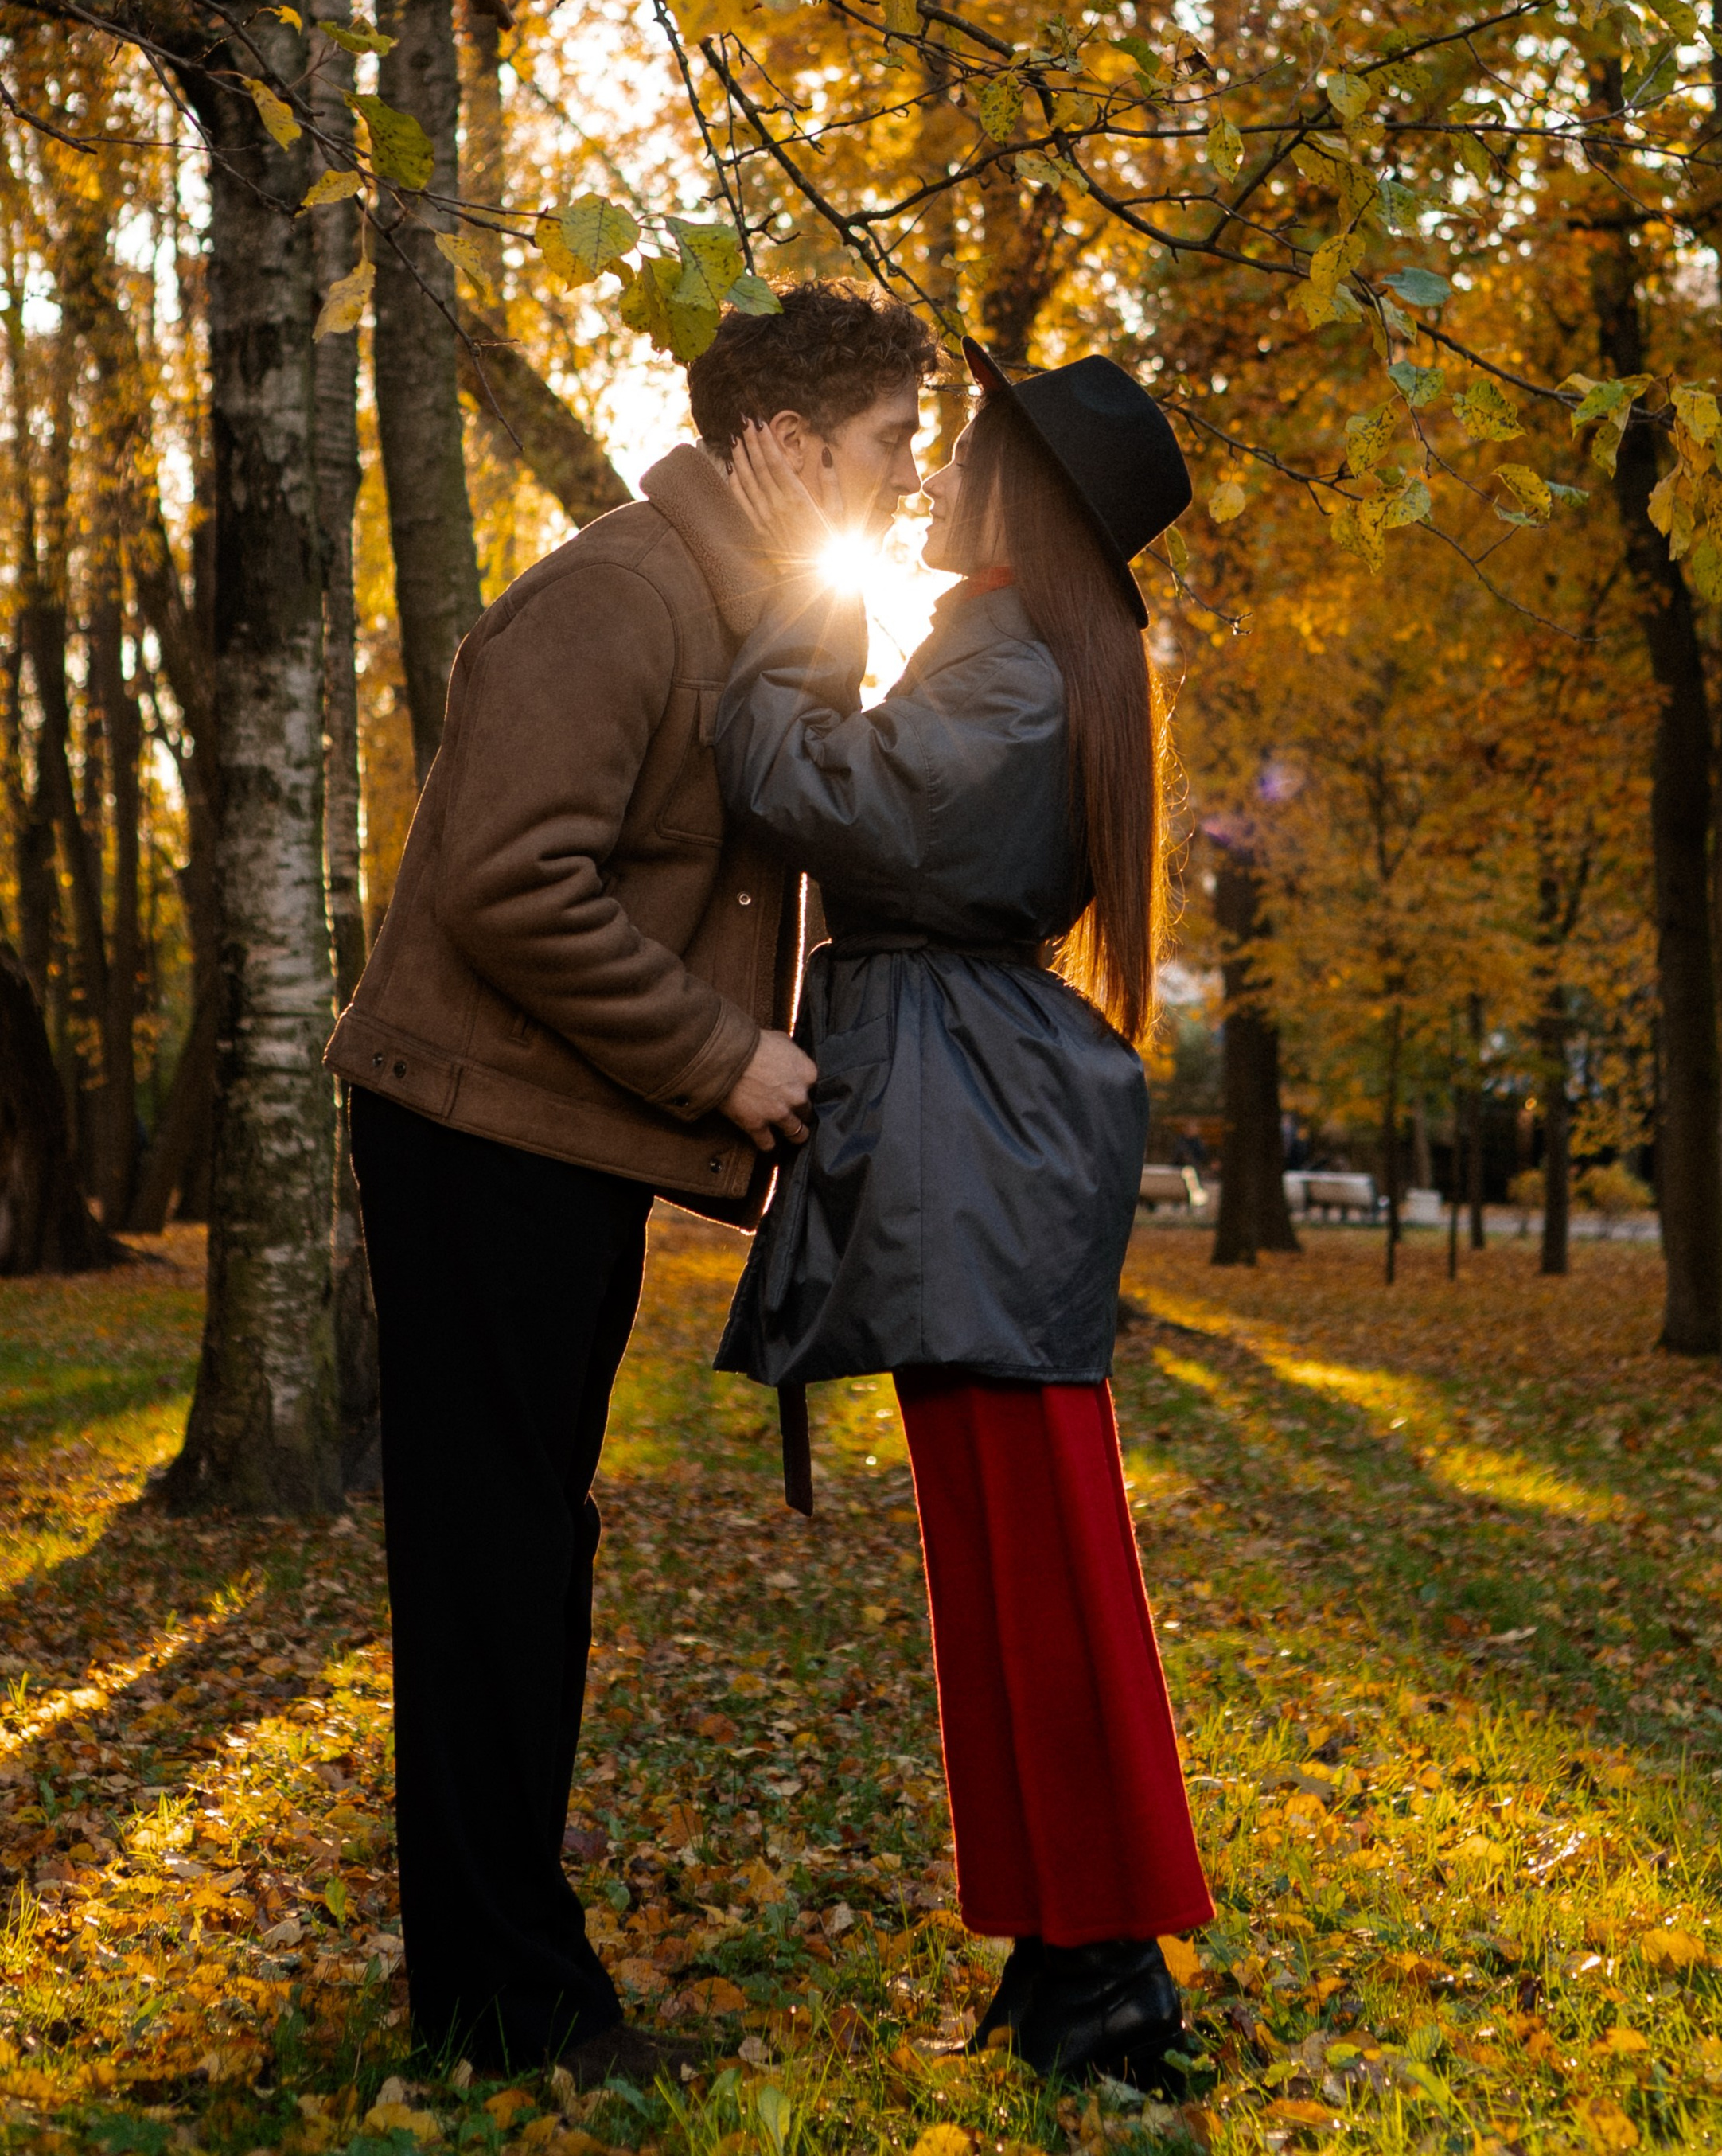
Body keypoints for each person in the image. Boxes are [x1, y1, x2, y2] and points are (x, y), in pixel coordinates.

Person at [325, 283, 935, 2080]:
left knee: (523, 1549)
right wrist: (719, 1055)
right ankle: (505, 2012)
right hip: (475, 1136)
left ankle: (500, 1967)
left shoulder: (740, 608)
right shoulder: (616, 597)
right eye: (890, 444)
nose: (910, 480)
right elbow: (508, 882)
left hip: (553, 1135)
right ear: (785, 445)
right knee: (492, 1560)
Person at [711, 337, 1213, 2093]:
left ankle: (1114, 1971)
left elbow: (814, 786)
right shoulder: (1013, 644)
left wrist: (798, 593)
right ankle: (1064, 1952)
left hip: (971, 1135)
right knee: (999, 1558)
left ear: (1022, 496)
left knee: (1039, 1552)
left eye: (964, 449)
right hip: (960, 1122)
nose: (931, 473)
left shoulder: (1014, 660)